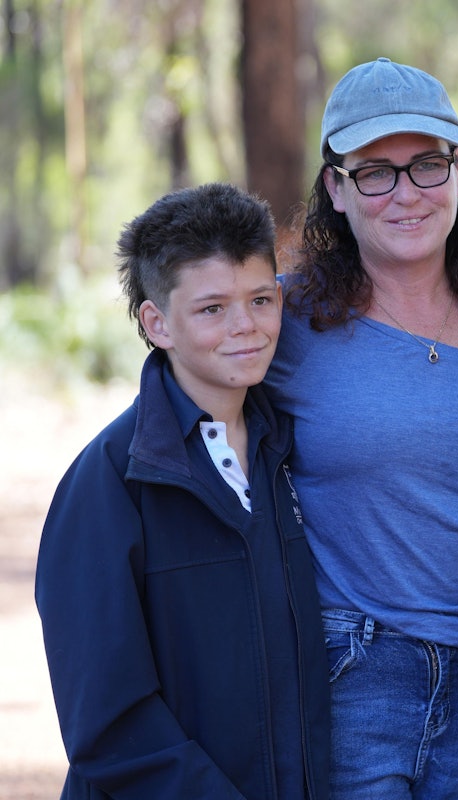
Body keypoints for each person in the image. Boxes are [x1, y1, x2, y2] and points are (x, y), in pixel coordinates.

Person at [263, 58, 458, 799]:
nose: (405, 193)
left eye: (425, 166)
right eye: (374, 172)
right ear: (336, 190)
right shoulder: (285, 321)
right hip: (353, 668)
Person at [35, 182, 331, 799]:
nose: (246, 327)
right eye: (211, 309)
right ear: (156, 322)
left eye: (259, 299)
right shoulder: (109, 483)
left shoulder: (291, 454)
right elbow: (107, 720)